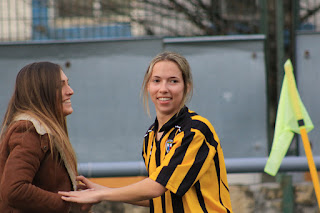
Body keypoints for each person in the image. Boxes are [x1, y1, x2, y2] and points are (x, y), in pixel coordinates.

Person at [59, 51, 233, 212]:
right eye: (156, 81)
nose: (163, 88)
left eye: (173, 81)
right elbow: (160, 197)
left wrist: (101, 194)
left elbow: (156, 187)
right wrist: (102, 190)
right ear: (148, 86)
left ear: (186, 87)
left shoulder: (195, 130)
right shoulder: (151, 136)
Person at [0, 62, 89, 213]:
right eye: (60, 86)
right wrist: (69, 205)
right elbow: (15, 190)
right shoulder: (29, 131)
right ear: (41, 92)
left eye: (68, 84)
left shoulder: (41, 131)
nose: (70, 91)